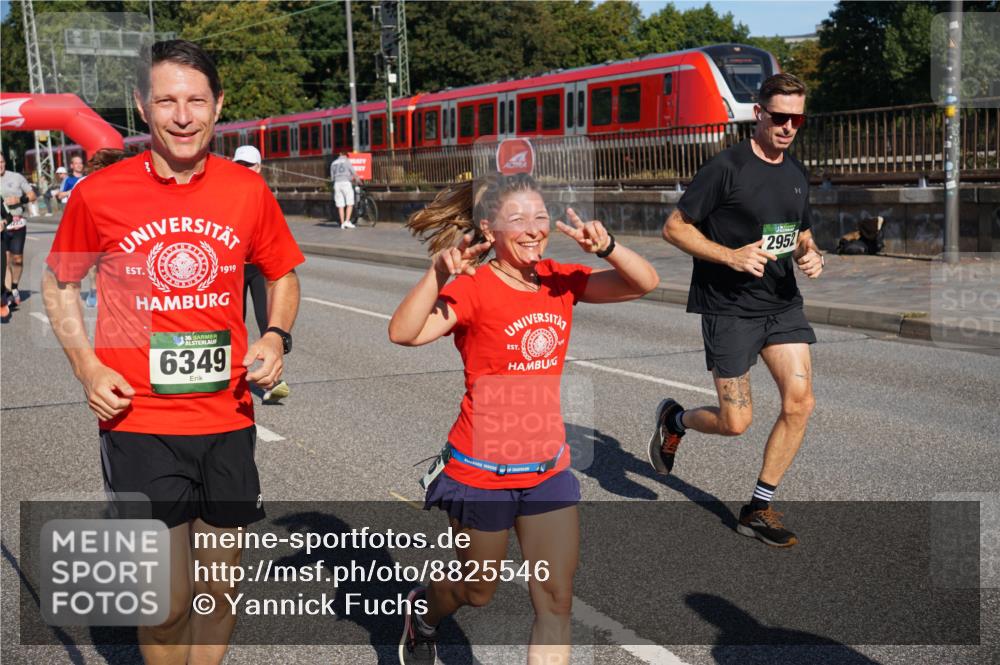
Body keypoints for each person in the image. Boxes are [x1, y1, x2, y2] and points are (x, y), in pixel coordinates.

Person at [42, 39, 304, 665]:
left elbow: (283, 273)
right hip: (139, 421)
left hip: (229, 419)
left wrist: (275, 335)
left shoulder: (247, 190)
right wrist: (87, 364)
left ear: (218, 107)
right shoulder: (99, 193)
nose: (182, 115)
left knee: (217, 590)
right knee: (164, 605)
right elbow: (60, 283)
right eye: (166, 101)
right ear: (142, 107)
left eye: (195, 100)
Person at [389, 172, 659, 665]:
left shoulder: (559, 279)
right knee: (477, 591)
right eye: (519, 219)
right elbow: (404, 333)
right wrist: (438, 274)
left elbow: (644, 283)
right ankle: (424, 615)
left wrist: (609, 247)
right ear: (489, 231)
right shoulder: (473, 288)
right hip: (480, 471)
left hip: (546, 470)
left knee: (555, 600)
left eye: (540, 216)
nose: (535, 228)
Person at [652, 73, 824, 548]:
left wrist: (812, 252)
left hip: (782, 303)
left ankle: (757, 508)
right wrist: (730, 256)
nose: (789, 127)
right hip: (729, 309)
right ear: (759, 114)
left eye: (798, 119)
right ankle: (676, 421)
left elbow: (801, 231)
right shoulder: (725, 167)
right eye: (780, 117)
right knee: (736, 423)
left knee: (800, 402)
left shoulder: (795, 172)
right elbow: (674, 228)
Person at [233, 144, 290, 404]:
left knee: (267, 323)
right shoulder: (228, 193)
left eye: (249, 166)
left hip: (257, 269)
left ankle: (273, 380)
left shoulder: (264, 195)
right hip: (232, 268)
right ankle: (229, 376)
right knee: (231, 324)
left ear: (259, 168)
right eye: (240, 166)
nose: (244, 170)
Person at [1, 154, 36, 309]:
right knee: (6, 260)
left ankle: (14, 286)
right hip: (2, 226)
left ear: (5, 162)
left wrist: (19, 200)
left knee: (18, 260)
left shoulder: (16, 177)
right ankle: (8, 293)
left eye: (1, 162)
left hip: (17, 223)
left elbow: (32, 195)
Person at [330, 149, 358, 228]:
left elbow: (332, 178)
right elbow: (354, 173)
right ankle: (347, 221)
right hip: (346, 183)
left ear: (340, 154)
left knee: (340, 205)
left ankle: (342, 223)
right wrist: (359, 181)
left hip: (337, 184)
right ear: (346, 155)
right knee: (350, 203)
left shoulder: (333, 163)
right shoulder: (347, 161)